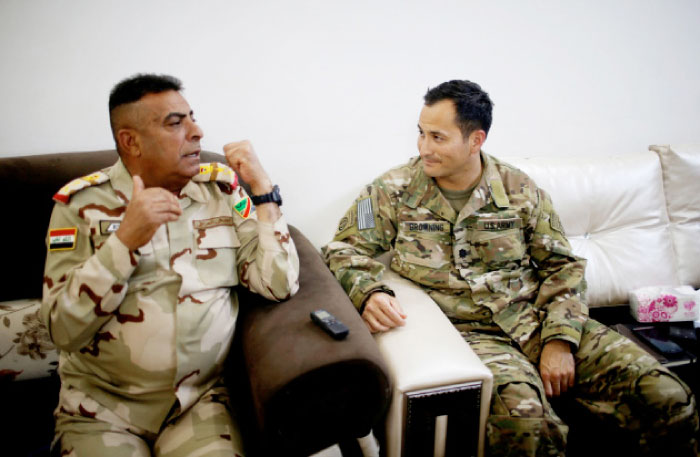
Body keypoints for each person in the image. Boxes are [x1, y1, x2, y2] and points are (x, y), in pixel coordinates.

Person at [322, 79, 699, 456]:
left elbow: (563, 267)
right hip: (472, 335)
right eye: (421, 134)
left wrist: (559, 340)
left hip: (538, 317)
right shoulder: (391, 190)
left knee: (666, 394)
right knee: (527, 426)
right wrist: (369, 291)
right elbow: (344, 248)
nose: (424, 148)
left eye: (438, 137)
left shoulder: (519, 189)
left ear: (475, 140)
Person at [42, 73, 299, 457]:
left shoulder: (221, 190)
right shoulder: (80, 205)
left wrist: (263, 191)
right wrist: (124, 240)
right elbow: (61, 330)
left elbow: (279, 284)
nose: (197, 132)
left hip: (198, 405)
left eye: (191, 117)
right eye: (175, 123)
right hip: (100, 410)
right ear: (131, 141)